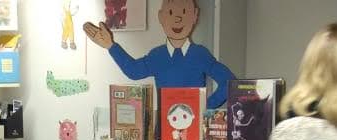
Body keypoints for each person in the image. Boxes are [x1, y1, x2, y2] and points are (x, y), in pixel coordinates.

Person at [82, 0, 235, 108]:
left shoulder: (200, 54)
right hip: (163, 131)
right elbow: (133, 71)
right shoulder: (157, 56)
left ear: (194, 15)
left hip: (195, 131)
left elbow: (229, 82)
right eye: (171, 12)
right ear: (161, 17)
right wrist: (111, 46)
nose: (178, 18)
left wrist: (205, 107)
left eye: (184, 12)